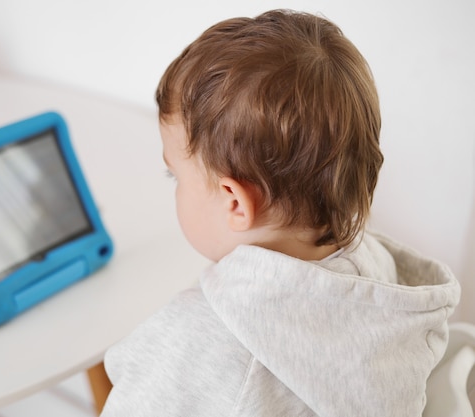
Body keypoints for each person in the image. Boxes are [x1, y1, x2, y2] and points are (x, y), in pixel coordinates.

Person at [100, 9, 461, 416]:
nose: (174, 185)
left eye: (175, 175)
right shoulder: (379, 281)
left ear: (234, 201)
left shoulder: (197, 339)